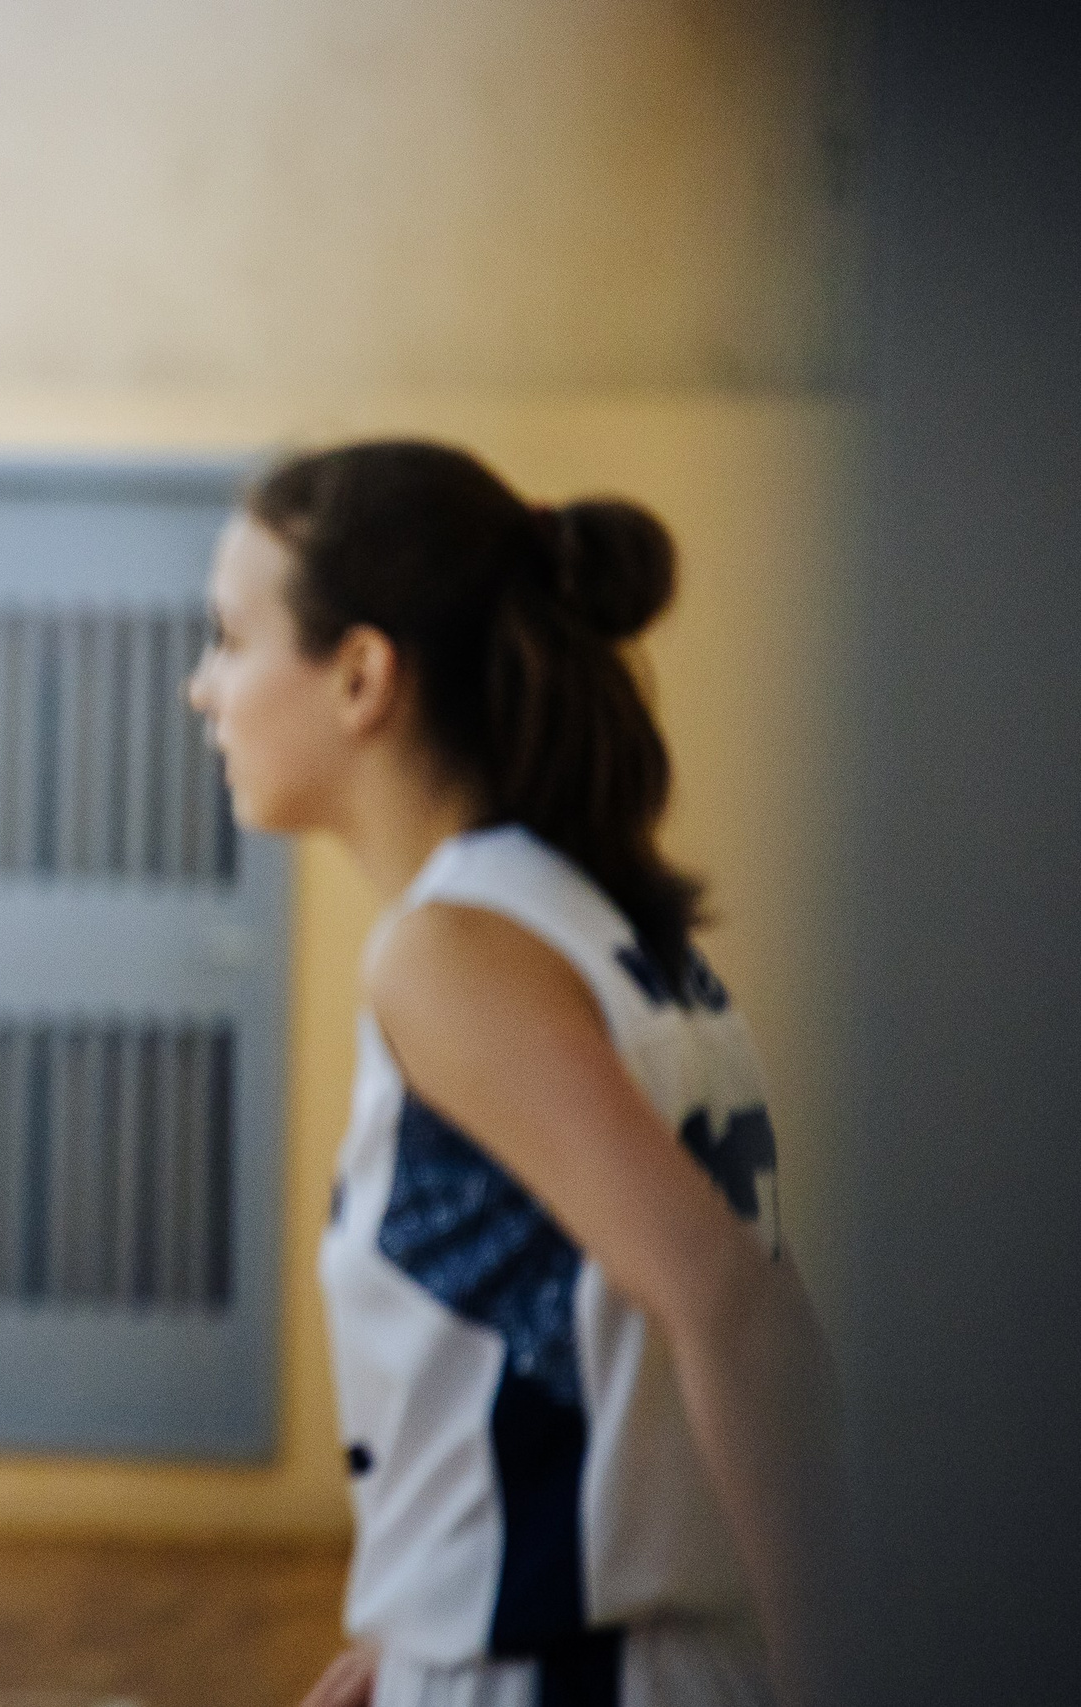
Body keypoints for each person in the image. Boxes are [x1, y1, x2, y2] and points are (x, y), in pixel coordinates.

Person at [183, 442, 839, 1707]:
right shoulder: (595, 922)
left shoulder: (449, 951)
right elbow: (696, 1325)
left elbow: (732, 1317)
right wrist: (437, 1623)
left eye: (228, 637)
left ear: (362, 675)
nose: (200, 688)